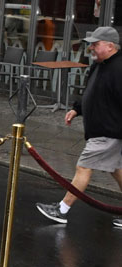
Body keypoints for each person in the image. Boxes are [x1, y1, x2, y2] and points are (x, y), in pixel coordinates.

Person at [36, 26, 122, 230]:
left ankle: (62, 210)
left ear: (110, 46)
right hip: (103, 130)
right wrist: (77, 109)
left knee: (83, 167)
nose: (91, 47)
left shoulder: (119, 69)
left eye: (95, 44)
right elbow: (91, 92)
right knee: (117, 171)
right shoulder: (99, 65)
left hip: (108, 131)